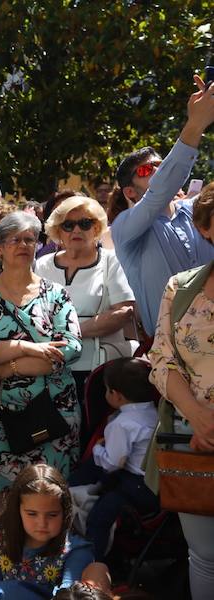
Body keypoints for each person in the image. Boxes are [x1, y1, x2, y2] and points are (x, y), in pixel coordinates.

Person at [0, 212, 82, 528]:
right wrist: (28, 348)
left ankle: (49, 568)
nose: (23, 245)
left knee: (50, 495)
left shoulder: (56, 294)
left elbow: (71, 347)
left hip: (53, 412)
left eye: (29, 239)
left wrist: (13, 365)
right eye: (14, 239)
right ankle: (2, 563)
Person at [147, 182, 214, 598]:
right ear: (207, 228)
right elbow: (162, 361)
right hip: (196, 441)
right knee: (205, 556)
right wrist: (199, 416)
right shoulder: (181, 287)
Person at [111, 78, 214, 335]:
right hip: (169, 352)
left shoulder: (198, 210)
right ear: (130, 192)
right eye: (147, 169)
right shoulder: (124, 227)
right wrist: (196, 123)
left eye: (162, 164)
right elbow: (160, 191)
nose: (158, 171)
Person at [36, 196, 135, 400]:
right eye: (68, 225)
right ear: (58, 230)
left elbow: (124, 312)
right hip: (49, 368)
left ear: (97, 228)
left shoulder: (111, 261)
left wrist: (71, 334)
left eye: (85, 223)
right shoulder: (42, 264)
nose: (76, 230)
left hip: (98, 373)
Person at [67, 358, 159, 559]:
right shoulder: (154, 412)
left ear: (115, 395)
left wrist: (99, 449)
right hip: (154, 483)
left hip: (135, 485)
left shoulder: (122, 424)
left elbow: (112, 463)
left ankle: (92, 559)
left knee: (100, 517)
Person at [0, 464, 109, 600]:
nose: (42, 523)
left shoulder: (76, 549)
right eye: (32, 514)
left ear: (65, 513)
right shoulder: (1, 538)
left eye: (52, 515)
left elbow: (67, 595)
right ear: (18, 511)